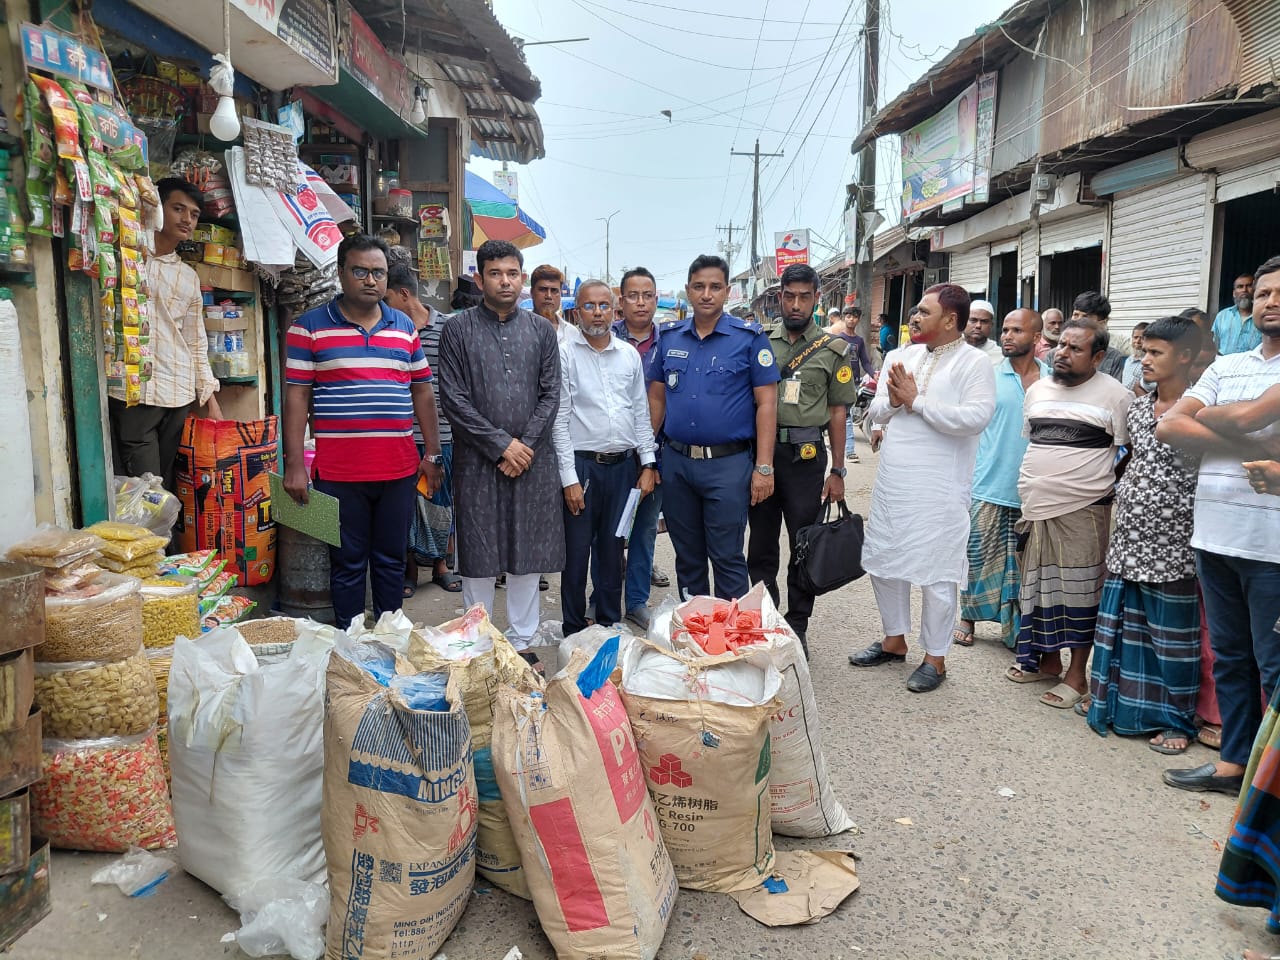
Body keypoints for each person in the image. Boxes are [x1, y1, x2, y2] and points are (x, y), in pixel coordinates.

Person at [1156, 255, 1280, 796]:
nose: (1270, 301)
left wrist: (1216, 418)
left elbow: (1236, 415)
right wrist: (1256, 445)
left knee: (1274, 667)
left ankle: (1269, 784)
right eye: (1265, 293)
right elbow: (1169, 425)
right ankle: (1234, 766)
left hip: (1273, 544)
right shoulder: (1228, 365)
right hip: (1215, 533)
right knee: (1230, 656)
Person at [283, 234, 444, 625]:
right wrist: (294, 465)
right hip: (339, 472)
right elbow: (296, 398)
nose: (370, 280)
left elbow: (422, 392)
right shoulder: (309, 328)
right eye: (360, 271)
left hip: (398, 469)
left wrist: (432, 455)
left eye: (378, 273)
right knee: (347, 563)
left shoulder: (403, 326)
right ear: (341, 273)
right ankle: (350, 643)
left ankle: (391, 639)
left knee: (391, 560)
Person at [848, 284, 996, 693]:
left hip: (941, 488)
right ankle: (894, 639)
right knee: (885, 559)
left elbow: (975, 418)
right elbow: (874, 412)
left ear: (950, 320)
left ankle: (936, 658)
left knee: (938, 572)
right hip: (895, 482)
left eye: (923, 312)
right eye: (914, 311)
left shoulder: (974, 363)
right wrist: (895, 402)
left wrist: (917, 401)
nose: (913, 318)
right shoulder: (899, 357)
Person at [438, 240, 564, 659]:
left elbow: (551, 395)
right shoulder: (457, 330)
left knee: (526, 553)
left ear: (522, 279)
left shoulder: (542, 331)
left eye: (512, 273)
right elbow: (453, 399)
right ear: (480, 278)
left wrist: (523, 446)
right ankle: (476, 644)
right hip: (478, 460)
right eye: (495, 273)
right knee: (478, 553)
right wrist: (500, 445)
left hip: (532, 461)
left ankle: (523, 644)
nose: (504, 280)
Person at [1086, 315, 1203, 754]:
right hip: (1130, 535)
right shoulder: (1136, 407)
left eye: (1156, 353)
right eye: (1144, 351)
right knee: (1122, 626)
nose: (1144, 359)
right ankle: (1116, 704)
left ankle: (1176, 722)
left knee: (1171, 638)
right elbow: (1130, 458)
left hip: (1175, 541)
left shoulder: (1203, 409)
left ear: (1186, 356)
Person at [1009, 318, 1132, 708]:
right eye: (1061, 344)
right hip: (1035, 507)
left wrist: (1094, 488)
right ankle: (1046, 662)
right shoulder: (1038, 390)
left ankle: (1077, 676)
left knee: (1079, 593)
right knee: (1039, 590)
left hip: (1084, 509)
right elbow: (1035, 441)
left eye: (1075, 349)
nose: (1062, 353)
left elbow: (1125, 453)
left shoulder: (1116, 395)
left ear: (1097, 356)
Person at [647, 253, 780, 600]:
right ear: (688, 291)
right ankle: (696, 635)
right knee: (687, 559)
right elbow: (657, 400)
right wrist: (647, 457)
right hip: (677, 464)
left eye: (715, 287)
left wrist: (764, 468)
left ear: (726, 292)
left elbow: (767, 403)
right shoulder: (670, 338)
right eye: (699, 286)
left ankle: (729, 643)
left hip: (728, 466)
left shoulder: (748, 338)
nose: (707, 294)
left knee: (727, 557)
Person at [747, 263, 856, 650]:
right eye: (789, 296)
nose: (796, 304)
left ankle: (797, 626)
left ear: (816, 299)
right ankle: (766, 620)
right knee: (760, 544)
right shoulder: (759, 341)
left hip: (805, 460)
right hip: (762, 454)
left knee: (802, 544)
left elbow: (839, 412)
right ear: (779, 297)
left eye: (804, 297)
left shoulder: (833, 350)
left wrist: (838, 469)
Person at [553, 281, 657, 637]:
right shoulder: (565, 353)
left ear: (614, 312)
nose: (596, 313)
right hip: (582, 467)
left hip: (624, 469)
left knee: (614, 551)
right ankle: (573, 628)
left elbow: (640, 414)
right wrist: (568, 478)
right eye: (588, 306)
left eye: (603, 306)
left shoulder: (628, 355)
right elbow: (560, 419)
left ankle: (610, 623)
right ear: (576, 312)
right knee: (577, 554)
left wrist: (648, 465)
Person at [109, 177, 221, 493]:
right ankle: (156, 543)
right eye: (178, 209)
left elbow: (195, 340)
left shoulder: (188, 277)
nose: (187, 219)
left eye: (194, 214)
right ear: (157, 209)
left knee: (166, 484)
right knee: (143, 487)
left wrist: (209, 398)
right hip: (135, 392)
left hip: (178, 393)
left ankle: (164, 544)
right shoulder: (127, 258)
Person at [954, 309, 1050, 650]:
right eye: (1005, 330)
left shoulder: (1052, 380)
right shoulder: (990, 377)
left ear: (1037, 338)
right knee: (978, 555)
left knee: (1025, 565)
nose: (1008, 336)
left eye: (1017, 330)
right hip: (988, 482)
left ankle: (1014, 629)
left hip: (1034, 489)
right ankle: (968, 616)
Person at [384, 263, 461, 596]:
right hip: (400, 436)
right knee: (406, 508)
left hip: (442, 434)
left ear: (403, 294)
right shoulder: (388, 331)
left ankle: (442, 566)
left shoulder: (447, 329)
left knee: (441, 502)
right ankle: (409, 571)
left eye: (386, 297)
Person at [612, 266, 670, 628]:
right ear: (621, 301)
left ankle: (635, 601)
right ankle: (599, 598)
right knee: (607, 532)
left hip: (656, 456)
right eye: (633, 295)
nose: (640, 302)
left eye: (647, 295)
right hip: (612, 455)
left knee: (645, 530)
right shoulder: (603, 337)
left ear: (656, 298)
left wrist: (652, 457)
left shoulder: (670, 341)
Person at [825, 305, 875, 463]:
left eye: (854, 317)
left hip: (852, 384)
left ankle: (847, 449)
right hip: (836, 383)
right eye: (848, 316)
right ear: (844, 318)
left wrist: (875, 375)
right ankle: (844, 448)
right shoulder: (837, 339)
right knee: (838, 415)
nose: (851, 319)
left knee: (846, 416)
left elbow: (865, 362)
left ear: (858, 319)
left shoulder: (859, 341)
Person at [1071, 291, 1128, 379]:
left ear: (1102, 323)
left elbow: (1114, 391)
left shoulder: (1113, 358)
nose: (1079, 321)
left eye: (1085, 317)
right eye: (1075, 315)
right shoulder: (1055, 354)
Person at [1213, 272, 1259, 355]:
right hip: (1224, 365)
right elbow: (1213, 344)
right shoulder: (1222, 316)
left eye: (1249, 286)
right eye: (1240, 287)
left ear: (1256, 290)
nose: (1244, 290)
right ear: (1234, 293)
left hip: (1254, 367)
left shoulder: (1263, 317)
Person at [531, 263, 567, 338]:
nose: (549, 296)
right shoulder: (517, 330)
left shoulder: (571, 333)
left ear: (560, 294)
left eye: (554, 290)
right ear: (532, 292)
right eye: (543, 289)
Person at [1121, 322, 1149, 391]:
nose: (1137, 341)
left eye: (1142, 338)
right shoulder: (1129, 360)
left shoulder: (1149, 363)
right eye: (1135, 337)